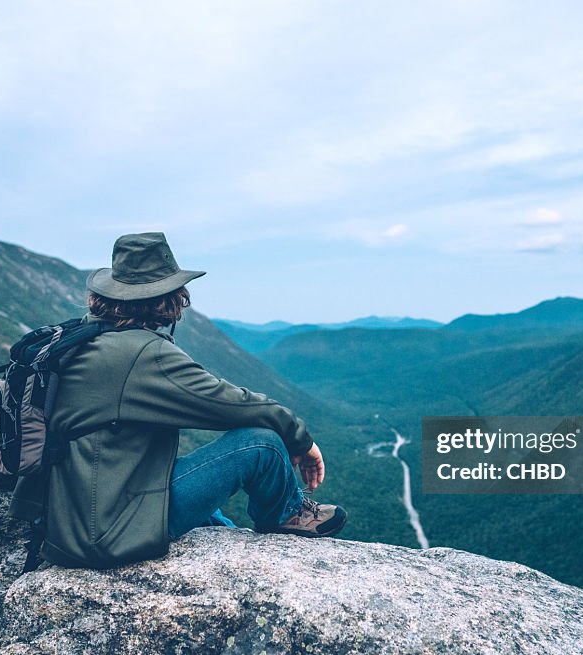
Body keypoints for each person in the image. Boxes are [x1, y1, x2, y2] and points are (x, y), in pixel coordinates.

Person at [22, 232, 346, 569]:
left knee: (216, 514)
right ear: (170, 297)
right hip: (107, 529)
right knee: (260, 443)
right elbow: (237, 405)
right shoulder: (143, 353)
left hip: (71, 515)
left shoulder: (83, 337)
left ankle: (234, 531)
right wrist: (300, 438)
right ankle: (286, 513)